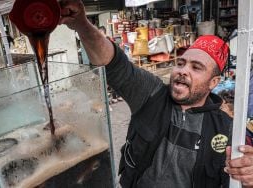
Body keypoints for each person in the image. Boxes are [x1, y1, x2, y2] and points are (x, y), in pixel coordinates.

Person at [59, 0, 253, 187]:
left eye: (196, 67)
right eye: (181, 63)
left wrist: (248, 177)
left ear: (213, 83)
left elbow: (236, 181)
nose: (183, 70)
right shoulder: (152, 94)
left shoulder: (227, 130)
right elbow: (114, 64)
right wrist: (82, 24)